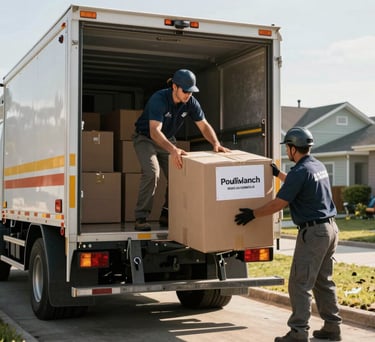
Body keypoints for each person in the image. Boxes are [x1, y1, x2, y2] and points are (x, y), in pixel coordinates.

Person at [234, 127, 342, 342]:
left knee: (299, 283)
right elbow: (300, 185)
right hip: (330, 229)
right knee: (323, 281)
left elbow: (279, 203)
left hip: (314, 233)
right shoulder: (316, 166)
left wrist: (253, 214)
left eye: (288, 148)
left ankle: (298, 332)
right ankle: (332, 327)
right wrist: (279, 174)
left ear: (292, 149)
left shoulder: (300, 171)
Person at [133, 69, 229, 231]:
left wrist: (215, 143)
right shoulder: (159, 99)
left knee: (178, 175)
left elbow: (203, 125)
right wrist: (173, 150)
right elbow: (154, 131)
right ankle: (141, 217)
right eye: (185, 91)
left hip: (168, 139)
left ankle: (167, 213)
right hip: (146, 138)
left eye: (191, 92)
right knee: (152, 172)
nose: (188, 95)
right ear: (174, 87)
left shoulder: (191, 102)